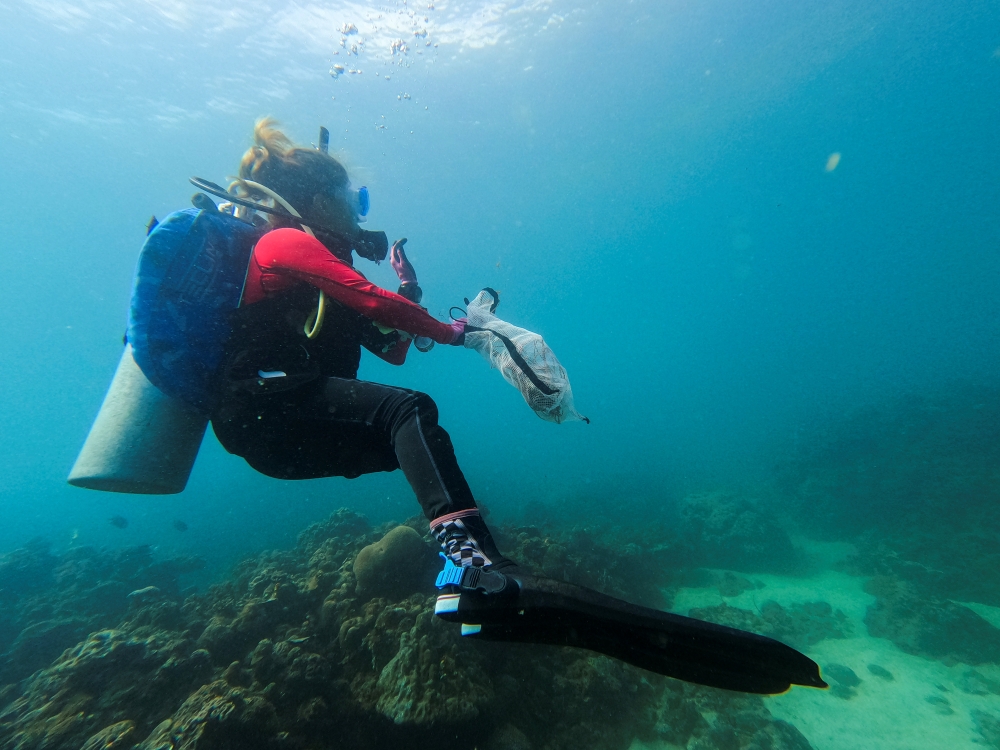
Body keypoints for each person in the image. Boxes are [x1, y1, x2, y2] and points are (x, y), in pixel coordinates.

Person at [210, 118, 514, 572]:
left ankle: (462, 578)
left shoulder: (321, 270)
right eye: (354, 200)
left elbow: (393, 350)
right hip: (262, 411)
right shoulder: (282, 242)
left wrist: (408, 289)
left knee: (417, 445)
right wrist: (451, 332)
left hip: (284, 436)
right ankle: (477, 561)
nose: (359, 214)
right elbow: (372, 301)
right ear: (319, 202)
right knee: (407, 410)